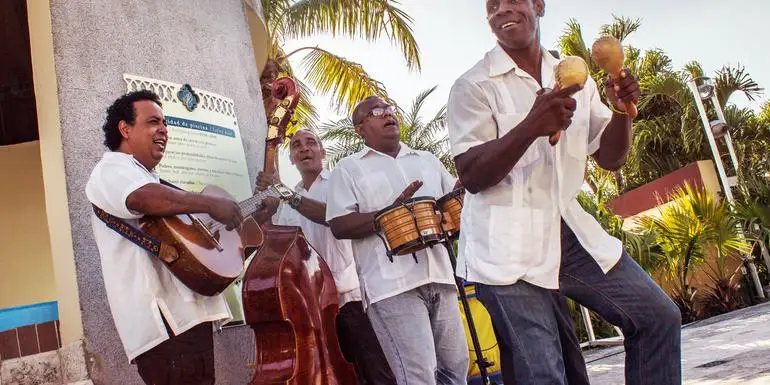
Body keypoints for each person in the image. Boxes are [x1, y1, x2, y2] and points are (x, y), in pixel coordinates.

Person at [445, 1, 682, 384]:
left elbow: (610, 157)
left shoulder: (579, 77)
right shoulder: (473, 85)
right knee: (544, 374)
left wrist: (622, 111)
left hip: (566, 228)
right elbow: (472, 175)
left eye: (514, 0)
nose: (503, 9)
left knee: (657, 318)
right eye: (492, 4)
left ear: (538, 5)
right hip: (504, 246)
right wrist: (529, 127)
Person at [85, 90, 276, 385]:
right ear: (125, 129)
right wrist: (209, 203)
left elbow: (214, 252)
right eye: (152, 122)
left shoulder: (155, 182)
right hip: (164, 330)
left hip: (187, 323)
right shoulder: (112, 168)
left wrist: (258, 215)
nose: (163, 129)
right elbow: (140, 198)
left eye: (165, 123)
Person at [326, 96, 470, 385]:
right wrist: (388, 215)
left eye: (390, 109)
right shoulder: (348, 169)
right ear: (360, 129)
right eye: (376, 112)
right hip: (391, 287)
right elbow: (339, 224)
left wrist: (463, 192)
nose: (387, 114)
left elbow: (449, 207)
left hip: (440, 276)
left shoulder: (427, 161)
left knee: (456, 370)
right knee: (418, 377)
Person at [255, 128, 397, 385]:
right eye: (297, 146)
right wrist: (267, 210)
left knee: (375, 374)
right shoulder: (288, 204)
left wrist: (286, 194)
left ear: (323, 151)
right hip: (312, 309)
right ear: (292, 159)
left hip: (349, 302)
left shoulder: (338, 184)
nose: (304, 148)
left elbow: (332, 219)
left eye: (311, 143)